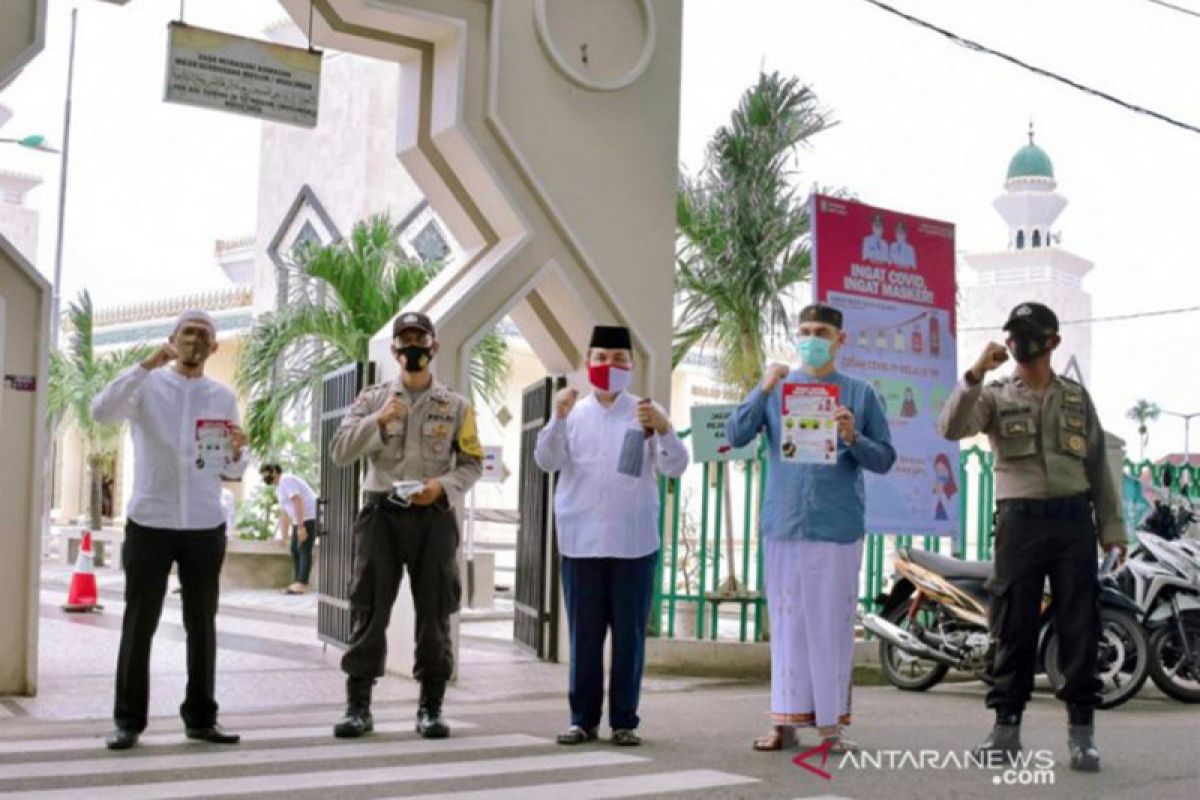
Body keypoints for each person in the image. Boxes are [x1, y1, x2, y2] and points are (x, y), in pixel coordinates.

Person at [938, 301, 1126, 773]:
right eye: (1014, 333)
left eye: (1029, 333)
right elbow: (951, 427)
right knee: (1013, 626)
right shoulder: (996, 394)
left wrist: (1112, 532)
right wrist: (974, 373)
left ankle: (1082, 735)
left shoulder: (1076, 398)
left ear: (1053, 342)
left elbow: (1098, 466)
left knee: (1080, 627)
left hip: (1071, 522)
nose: (1020, 342)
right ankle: (1006, 731)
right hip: (1019, 523)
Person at [727, 303, 895, 754]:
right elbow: (736, 433)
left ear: (841, 340)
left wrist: (853, 437)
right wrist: (762, 388)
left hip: (836, 526)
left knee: (830, 627)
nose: (811, 338)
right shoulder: (778, 389)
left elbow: (885, 458)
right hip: (783, 522)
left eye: (821, 331)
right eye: (804, 331)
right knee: (786, 626)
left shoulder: (860, 394)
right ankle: (783, 723)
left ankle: (830, 727)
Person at [91, 309, 247, 751]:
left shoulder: (222, 396)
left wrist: (238, 452)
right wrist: (146, 364)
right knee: (140, 622)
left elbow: (229, 468)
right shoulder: (146, 386)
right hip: (150, 521)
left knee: (203, 623)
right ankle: (127, 721)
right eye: (189, 333)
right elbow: (102, 412)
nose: (196, 341)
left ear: (215, 347)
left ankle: (201, 717)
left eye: (204, 335)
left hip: (203, 523)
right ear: (174, 338)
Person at [328, 311, 483, 740]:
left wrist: (443, 487)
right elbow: (340, 451)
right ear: (395, 350)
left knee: (435, 612)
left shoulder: (456, 406)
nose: (412, 347)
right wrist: (377, 422)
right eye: (405, 340)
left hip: (433, 517)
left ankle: (430, 708)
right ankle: (358, 707)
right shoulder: (371, 399)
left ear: (434, 348)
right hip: (381, 514)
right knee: (368, 608)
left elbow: (472, 463)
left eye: (421, 340)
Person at [534, 325, 689, 747]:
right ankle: (581, 720)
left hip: (633, 543)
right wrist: (557, 418)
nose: (609, 366)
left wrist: (666, 428)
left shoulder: (645, 412)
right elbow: (547, 460)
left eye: (618, 360)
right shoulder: (573, 412)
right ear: (588, 364)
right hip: (581, 541)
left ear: (631, 366)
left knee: (629, 637)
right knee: (584, 637)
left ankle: (624, 721)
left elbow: (675, 466)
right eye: (600, 358)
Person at [260, 464, 318, 594]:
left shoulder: (287, 480)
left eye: (266, 473)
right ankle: (297, 582)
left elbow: (298, 501)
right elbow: (285, 513)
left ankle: (301, 583)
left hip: (309, 517)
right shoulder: (279, 488)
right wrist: (283, 536)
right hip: (300, 520)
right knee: (294, 549)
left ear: (274, 471)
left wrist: (301, 526)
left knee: (304, 548)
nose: (264, 477)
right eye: (262, 475)